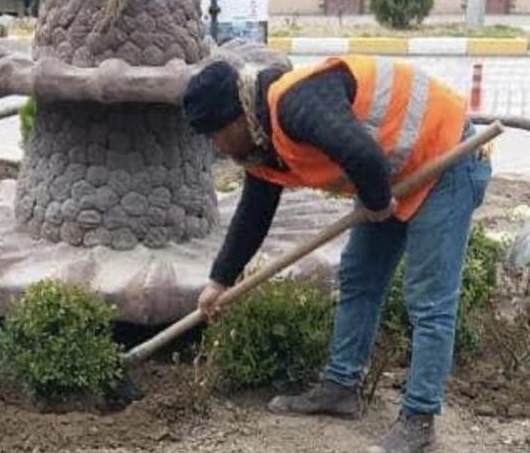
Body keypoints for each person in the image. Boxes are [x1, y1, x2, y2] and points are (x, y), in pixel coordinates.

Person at [182, 56, 492, 453]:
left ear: (238, 115)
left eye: (217, 133)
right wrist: (219, 280)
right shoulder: (261, 144)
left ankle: (418, 420)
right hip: (392, 172)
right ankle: (341, 388)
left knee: (428, 299)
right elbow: (253, 215)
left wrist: (378, 204)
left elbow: (363, 156)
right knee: (359, 277)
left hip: (446, 155)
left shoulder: (295, 104)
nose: (217, 146)